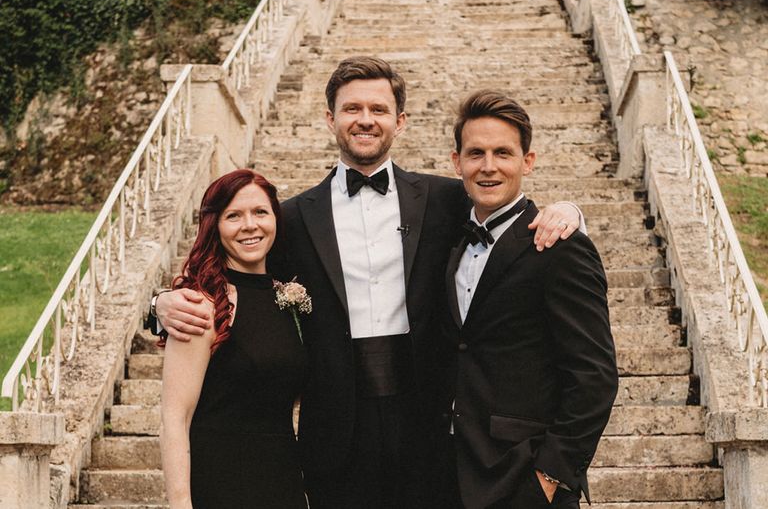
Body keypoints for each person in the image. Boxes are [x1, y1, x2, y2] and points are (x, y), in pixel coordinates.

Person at [154, 57, 584, 509]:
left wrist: (572, 213)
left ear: (399, 121)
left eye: (378, 109)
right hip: (336, 429)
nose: (365, 120)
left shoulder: (445, 198)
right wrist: (160, 304)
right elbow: (234, 269)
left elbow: (504, 215)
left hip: (429, 426)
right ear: (330, 119)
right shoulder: (294, 218)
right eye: (351, 108)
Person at [440, 90, 619, 509]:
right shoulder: (447, 237)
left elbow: (594, 376)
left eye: (503, 153)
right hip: (450, 473)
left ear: (528, 161)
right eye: (475, 153)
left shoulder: (560, 246)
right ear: (456, 163)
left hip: (526, 479)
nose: (488, 166)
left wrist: (551, 475)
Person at [159, 169, 309, 509]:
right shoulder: (201, 305)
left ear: (275, 219)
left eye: (260, 212)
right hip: (221, 482)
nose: (250, 225)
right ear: (215, 226)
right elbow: (174, 417)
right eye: (233, 216)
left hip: (282, 481)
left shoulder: (286, 298)